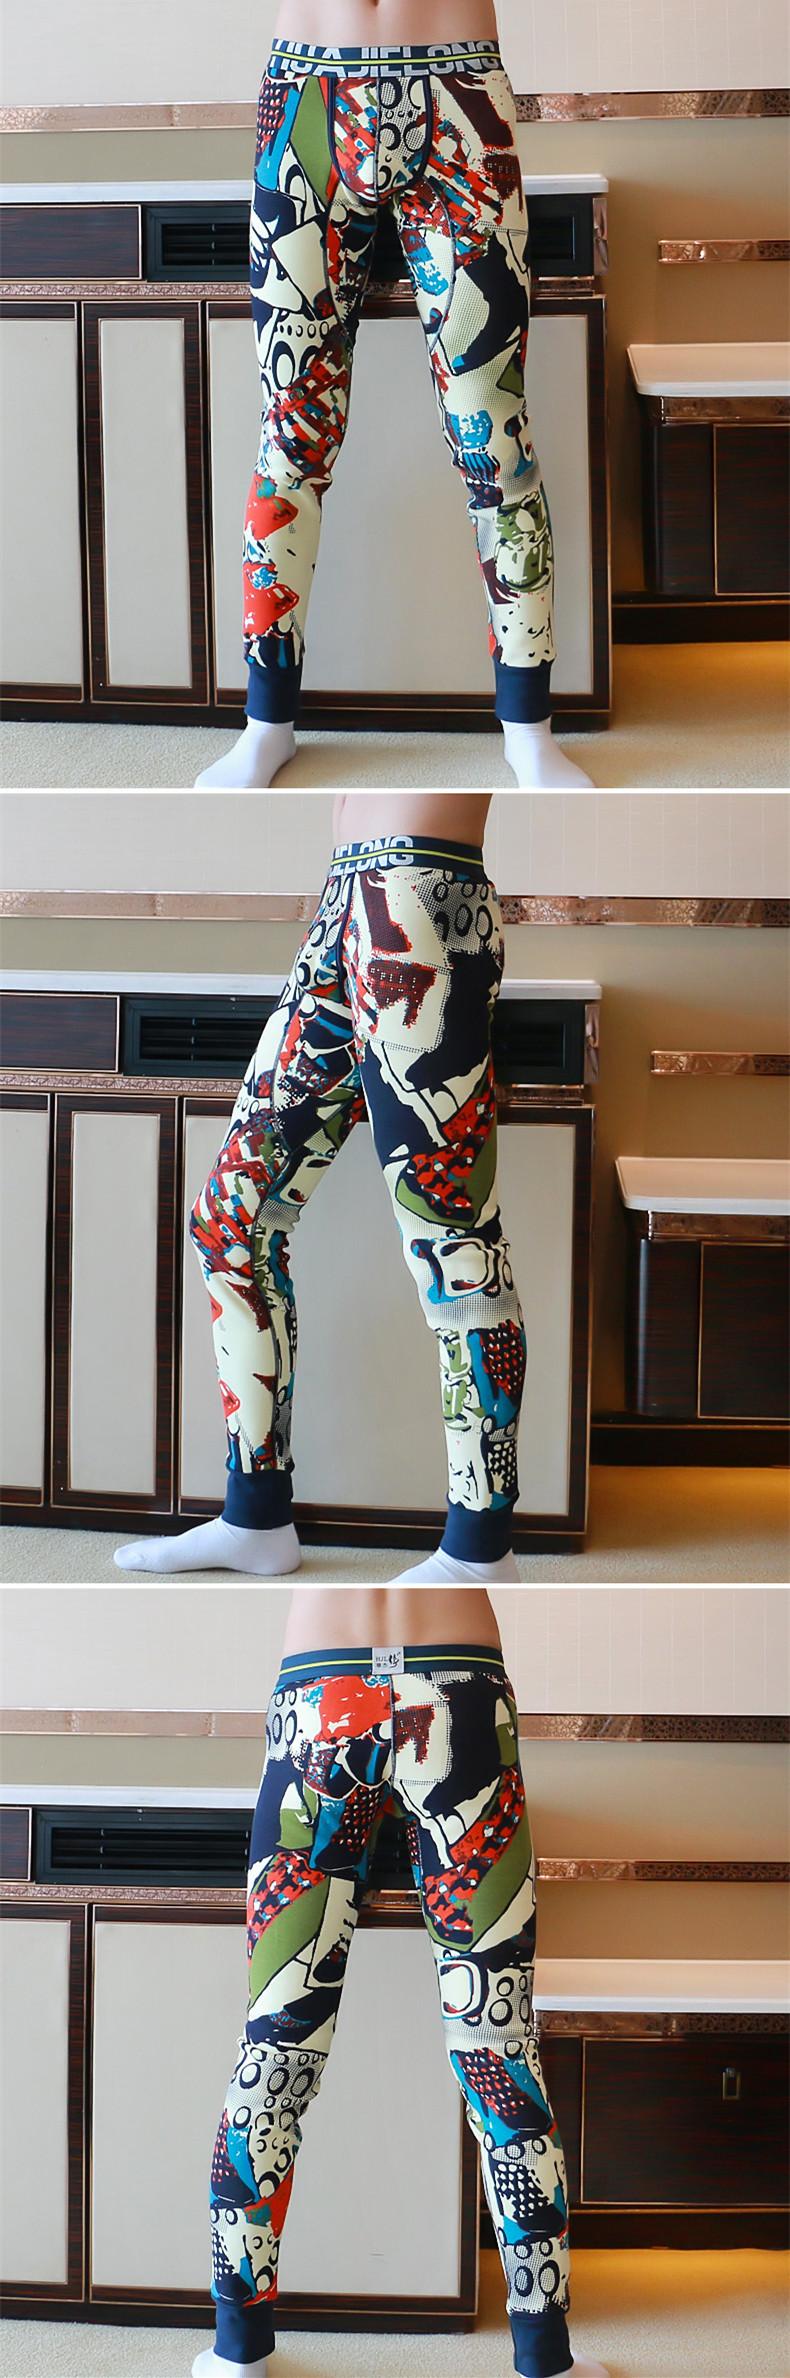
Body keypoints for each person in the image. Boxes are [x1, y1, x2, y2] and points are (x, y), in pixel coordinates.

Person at [190, 1582, 609, 2378]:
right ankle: (544, 2355)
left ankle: (237, 2349)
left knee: (277, 2045)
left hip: (320, 1693)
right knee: (498, 2046)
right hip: (459, 1683)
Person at [116, 792, 532, 1584]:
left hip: (421, 889)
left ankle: (480, 1549)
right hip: (342, 896)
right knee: (229, 1220)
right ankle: (256, 1517)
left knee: (452, 1240)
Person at [195, 0, 592, 795]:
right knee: (291, 436)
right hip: (309, 91)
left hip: (459, 87)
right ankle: (266, 723)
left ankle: (529, 729)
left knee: (496, 436)